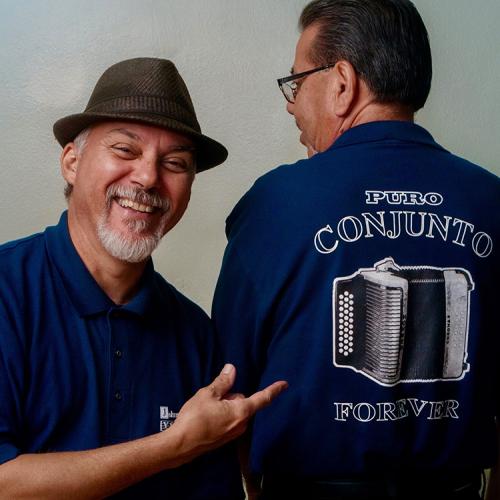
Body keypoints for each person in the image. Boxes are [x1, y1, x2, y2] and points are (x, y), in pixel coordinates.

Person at [212, 1, 500, 499]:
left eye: (297, 83)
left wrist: (257, 492)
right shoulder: (492, 199)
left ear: (342, 83)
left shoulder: (272, 203)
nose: (291, 103)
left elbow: (228, 383)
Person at [0, 57, 287, 499]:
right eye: (125, 150)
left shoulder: (194, 335)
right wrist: (173, 446)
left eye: (175, 163)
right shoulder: (7, 291)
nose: (149, 177)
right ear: (72, 162)